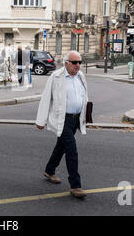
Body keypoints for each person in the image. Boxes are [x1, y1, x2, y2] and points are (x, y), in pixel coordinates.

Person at [35, 50, 89, 199]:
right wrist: (41, 120)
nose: (78, 65)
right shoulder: (56, 77)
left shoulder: (81, 76)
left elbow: (84, 97)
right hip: (62, 119)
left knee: (61, 146)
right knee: (71, 150)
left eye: (79, 62)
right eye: (74, 62)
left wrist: (85, 116)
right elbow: (46, 98)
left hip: (75, 119)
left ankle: (49, 170)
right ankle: (76, 185)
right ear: (66, 63)